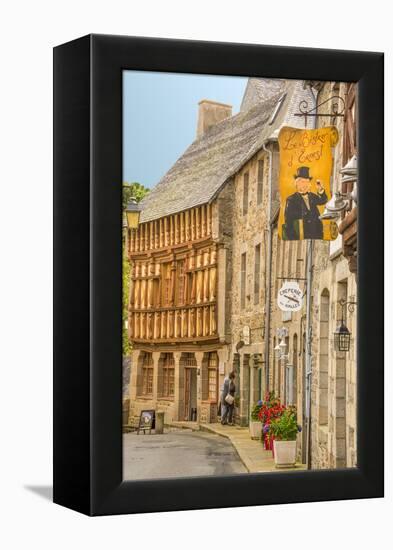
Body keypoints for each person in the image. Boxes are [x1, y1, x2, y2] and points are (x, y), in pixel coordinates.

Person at [283, 166, 328, 240]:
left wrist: (320, 190)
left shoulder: (311, 196)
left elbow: (323, 200)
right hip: (302, 236)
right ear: (297, 184)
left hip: (316, 234)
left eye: (307, 182)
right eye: (303, 182)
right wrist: (294, 238)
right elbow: (288, 222)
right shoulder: (291, 200)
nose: (305, 185)